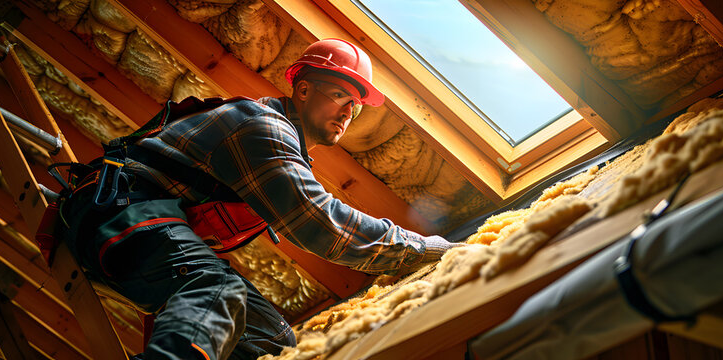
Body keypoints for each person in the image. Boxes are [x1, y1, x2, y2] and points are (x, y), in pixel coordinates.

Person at [55, 38, 460, 360]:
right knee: (216, 290)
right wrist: (429, 250)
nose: (347, 113)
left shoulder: (283, 143)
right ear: (303, 89)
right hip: (117, 216)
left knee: (274, 343)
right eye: (341, 95)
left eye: (354, 106)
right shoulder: (263, 127)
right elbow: (320, 223)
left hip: (148, 234)